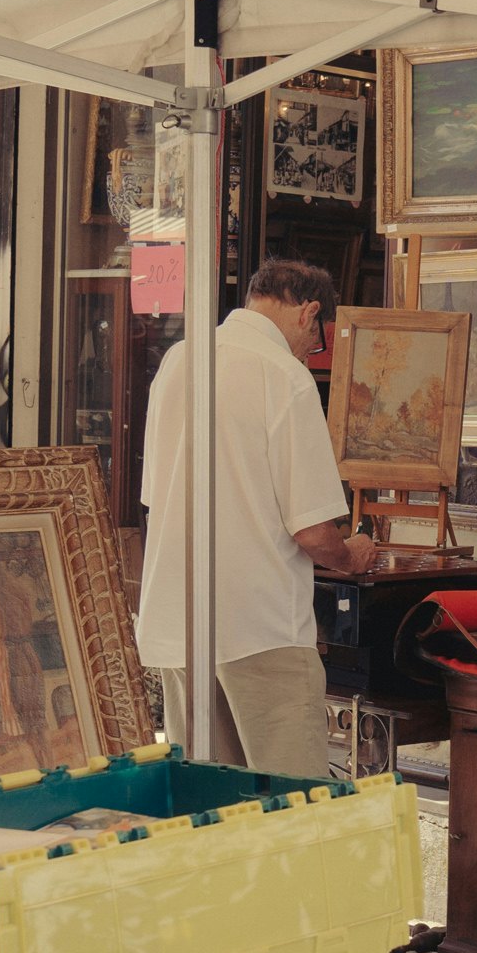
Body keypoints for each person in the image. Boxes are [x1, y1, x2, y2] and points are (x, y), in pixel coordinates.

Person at [134, 256, 378, 778]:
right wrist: (351, 555)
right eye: (316, 341)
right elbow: (312, 530)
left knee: (212, 804)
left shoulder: (179, 361)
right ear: (308, 312)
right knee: (290, 804)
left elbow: (155, 495)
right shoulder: (284, 376)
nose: (311, 353)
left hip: (179, 622)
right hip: (260, 625)